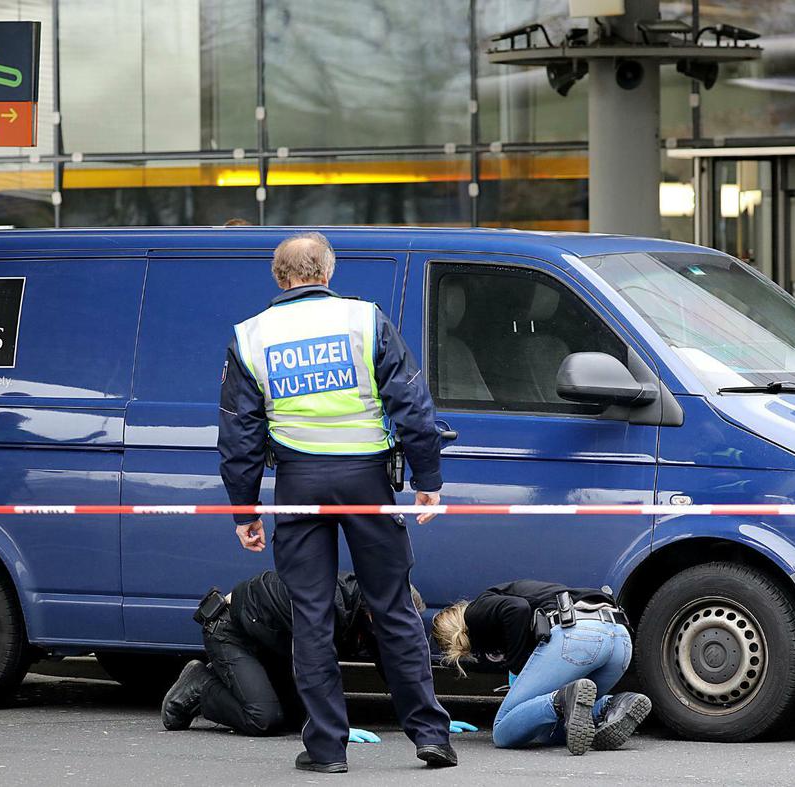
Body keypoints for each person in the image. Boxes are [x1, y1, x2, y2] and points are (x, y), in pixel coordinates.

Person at [218, 231, 455, 773]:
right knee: (392, 606)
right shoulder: (363, 319)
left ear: (280, 278)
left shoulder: (251, 336)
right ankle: (429, 737)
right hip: (367, 480)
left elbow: (239, 435)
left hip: (298, 484)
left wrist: (244, 510)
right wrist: (428, 476)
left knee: (311, 616)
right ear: (327, 272)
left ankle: (326, 749)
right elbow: (412, 404)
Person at [160, 570, 478, 743]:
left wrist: (428, 716)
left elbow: (397, 666)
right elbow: (310, 663)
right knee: (264, 719)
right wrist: (330, 725)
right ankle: (200, 685)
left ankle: (231, 681)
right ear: (373, 616)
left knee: (292, 717)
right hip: (231, 630)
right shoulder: (331, 605)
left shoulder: (372, 614)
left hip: (271, 638)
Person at [431, 580, 652, 756]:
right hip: (619, 638)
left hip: (579, 635)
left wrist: (516, 666)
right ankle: (609, 706)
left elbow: (515, 609)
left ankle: (561, 699)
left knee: (502, 730)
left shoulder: (476, 611)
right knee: (549, 731)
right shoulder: (515, 597)